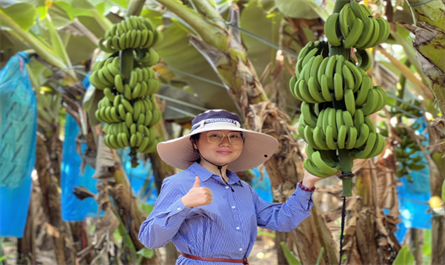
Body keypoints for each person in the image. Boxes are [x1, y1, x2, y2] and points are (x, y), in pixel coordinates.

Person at [138, 109, 325, 265]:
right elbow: (150, 239)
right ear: (195, 143)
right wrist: (184, 203)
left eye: (234, 136)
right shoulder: (180, 183)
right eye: (214, 136)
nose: (225, 142)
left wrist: (307, 183)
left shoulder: (243, 189)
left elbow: (282, 220)